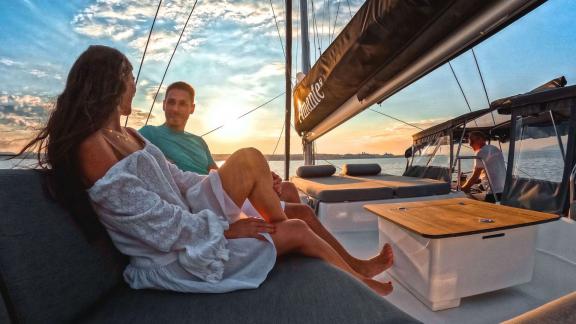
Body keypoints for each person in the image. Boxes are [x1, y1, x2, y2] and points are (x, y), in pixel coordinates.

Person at [18, 45, 392, 296]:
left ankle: (341, 258)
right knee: (294, 225)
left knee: (247, 157)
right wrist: (227, 228)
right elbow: (147, 221)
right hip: (173, 253)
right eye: (130, 77)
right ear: (112, 82)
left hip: (189, 212)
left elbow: (177, 179)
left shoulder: (129, 134)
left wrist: (234, 186)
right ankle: (361, 284)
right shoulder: (92, 146)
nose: (134, 85)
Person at [139, 81, 393, 277]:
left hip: (215, 191)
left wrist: (259, 181)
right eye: (171, 102)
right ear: (163, 104)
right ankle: (354, 266)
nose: (175, 108)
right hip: (196, 199)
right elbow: (144, 166)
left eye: (182, 104)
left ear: (192, 109)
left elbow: (216, 173)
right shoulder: (148, 134)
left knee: (289, 189)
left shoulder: (199, 142)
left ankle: (312, 258)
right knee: (302, 214)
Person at [461, 131, 506, 203]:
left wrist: (463, 189)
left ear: (480, 139)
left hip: (493, 192)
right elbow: (490, 169)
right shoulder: (494, 148)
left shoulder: (481, 152)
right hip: (504, 190)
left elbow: (475, 176)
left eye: (472, 141)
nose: (470, 144)